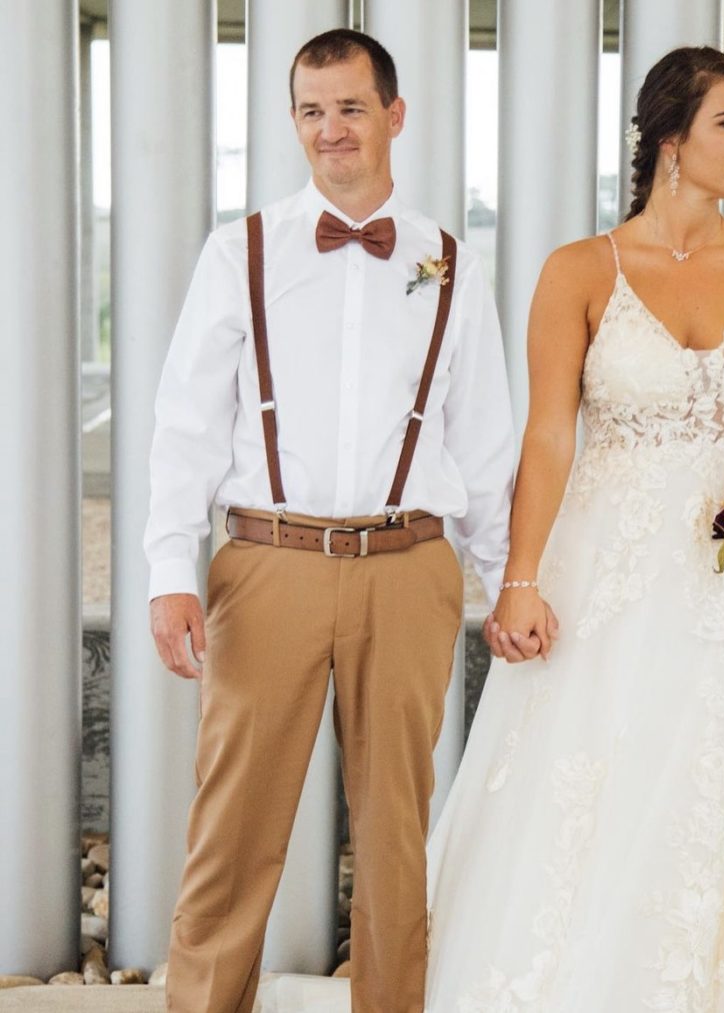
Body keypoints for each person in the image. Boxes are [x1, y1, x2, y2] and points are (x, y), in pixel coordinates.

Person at [425, 46, 724, 1012]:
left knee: (710, 800)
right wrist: (517, 578)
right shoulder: (579, 270)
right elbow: (546, 437)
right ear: (669, 139)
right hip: (604, 582)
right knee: (587, 790)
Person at [144, 29, 515, 1013]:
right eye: (311, 110)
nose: (330, 130)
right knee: (234, 823)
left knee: (395, 826)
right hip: (269, 561)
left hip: (409, 563)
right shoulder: (242, 250)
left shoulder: (446, 262)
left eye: (350, 107)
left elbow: (483, 438)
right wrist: (168, 569)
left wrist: (511, 574)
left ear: (394, 115)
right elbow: (185, 421)